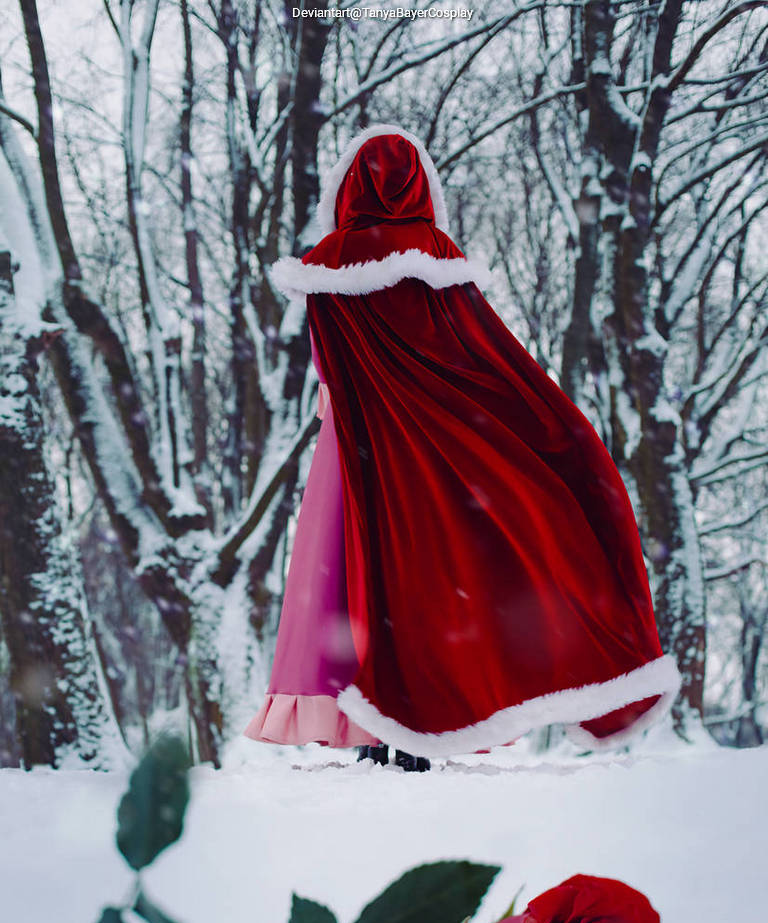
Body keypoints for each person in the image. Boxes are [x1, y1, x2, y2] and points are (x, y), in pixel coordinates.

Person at [243, 124, 680, 768]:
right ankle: (424, 724)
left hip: (359, 442)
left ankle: (372, 726)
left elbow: (328, 367)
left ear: (348, 185)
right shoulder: (439, 256)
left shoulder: (328, 263)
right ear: (421, 184)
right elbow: (479, 353)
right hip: (442, 439)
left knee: (361, 579)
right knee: (434, 576)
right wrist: (527, 421)